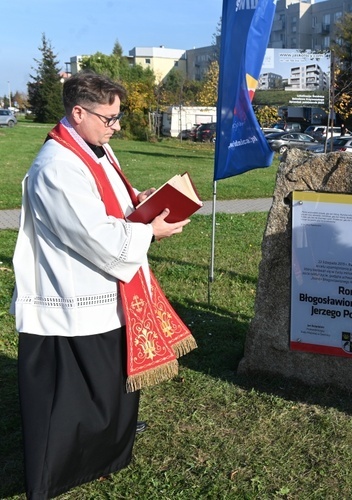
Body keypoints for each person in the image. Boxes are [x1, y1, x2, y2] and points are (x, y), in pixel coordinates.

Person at [12, 71, 196, 499]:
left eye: (117, 116)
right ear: (78, 113)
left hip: (108, 293)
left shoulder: (96, 151)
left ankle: (106, 448)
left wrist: (144, 202)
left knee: (110, 383)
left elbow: (115, 203)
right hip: (72, 298)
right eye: (108, 118)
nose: (115, 126)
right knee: (71, 396)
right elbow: (95, 236)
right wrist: (152, 233)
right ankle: (54, 473)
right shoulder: (57, 167)